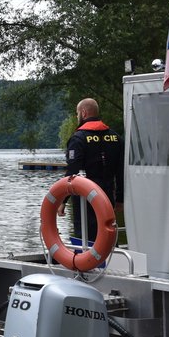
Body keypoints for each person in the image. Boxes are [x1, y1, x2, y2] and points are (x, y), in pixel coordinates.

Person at [57, 98, 124, 243]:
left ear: (83, 112)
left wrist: (63, 200)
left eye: (77, 114)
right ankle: (115, 259)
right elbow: (121, 171)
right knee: (108, 231)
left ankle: (89, 263)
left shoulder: (78, 139)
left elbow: (72, 172)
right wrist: (120, 199)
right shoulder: (116, 137)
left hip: (85, 198)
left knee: (88, 235)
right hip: (107, 196)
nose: (77, 117)